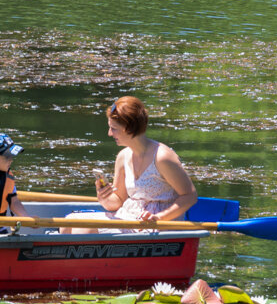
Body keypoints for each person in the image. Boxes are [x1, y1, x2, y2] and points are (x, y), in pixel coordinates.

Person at [62, 96, 198, 234]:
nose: (109, 134)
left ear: (128, 128)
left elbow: (190, 196)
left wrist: (159, 218)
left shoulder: (162, 157)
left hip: (155, 226)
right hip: (127, 217)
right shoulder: (123, 156)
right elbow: (117, 202)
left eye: (113, 128)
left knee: (85, 230)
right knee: (68, 222)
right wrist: (103, 196)